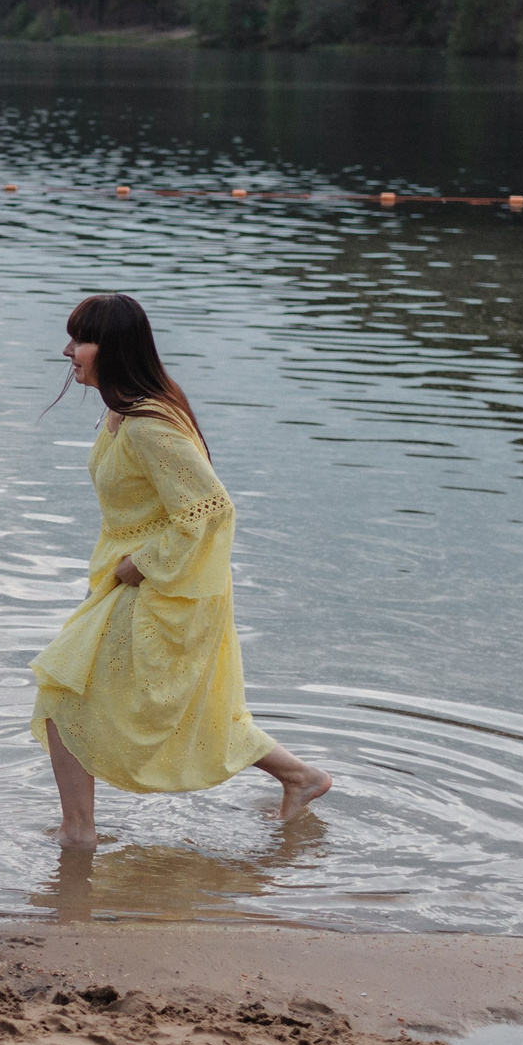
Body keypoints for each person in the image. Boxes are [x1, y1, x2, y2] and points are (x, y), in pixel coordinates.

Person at [29, 293, 330, 845]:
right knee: (193, 710)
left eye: (80, 340)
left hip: (160, 587)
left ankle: (79, 833)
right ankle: (302, 778)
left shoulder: (149, 425)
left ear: (112, 349)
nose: (68, 351)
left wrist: (140, 566)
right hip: (128, 581)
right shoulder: (121, 412)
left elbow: (211, 508)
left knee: (63, 696)